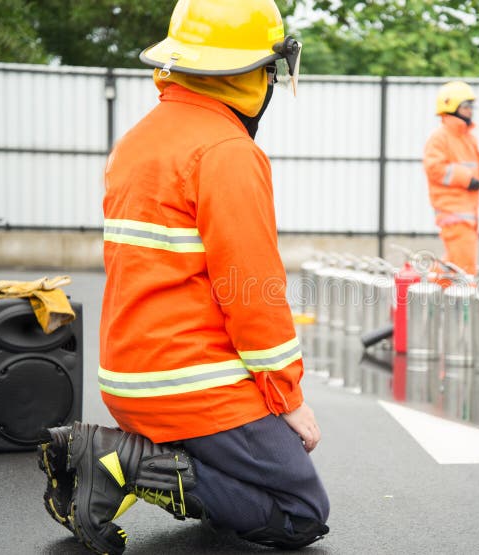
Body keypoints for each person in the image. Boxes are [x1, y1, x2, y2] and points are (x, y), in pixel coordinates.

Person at [35, 1, 329, 553]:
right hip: (191, 388)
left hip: (129, 380)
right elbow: (252, 294)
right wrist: (288, 399)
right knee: (300, 512)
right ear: (254, 73)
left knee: (244, 491)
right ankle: (122, 463)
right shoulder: (227, 150)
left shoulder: (138, 140)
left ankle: (133, 460)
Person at [423, 81, 479, 276]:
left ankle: (423, 296)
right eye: (466, 106)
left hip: (466, 212)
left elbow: (475, 169)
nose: (470, 111)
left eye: (471, 106)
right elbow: (435, 168)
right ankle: (463, 303)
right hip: (453, 211)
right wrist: (468, 180)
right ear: (451, 107)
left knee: (452, 266)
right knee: (464, 268)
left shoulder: (468, 138)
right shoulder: (440, 137)